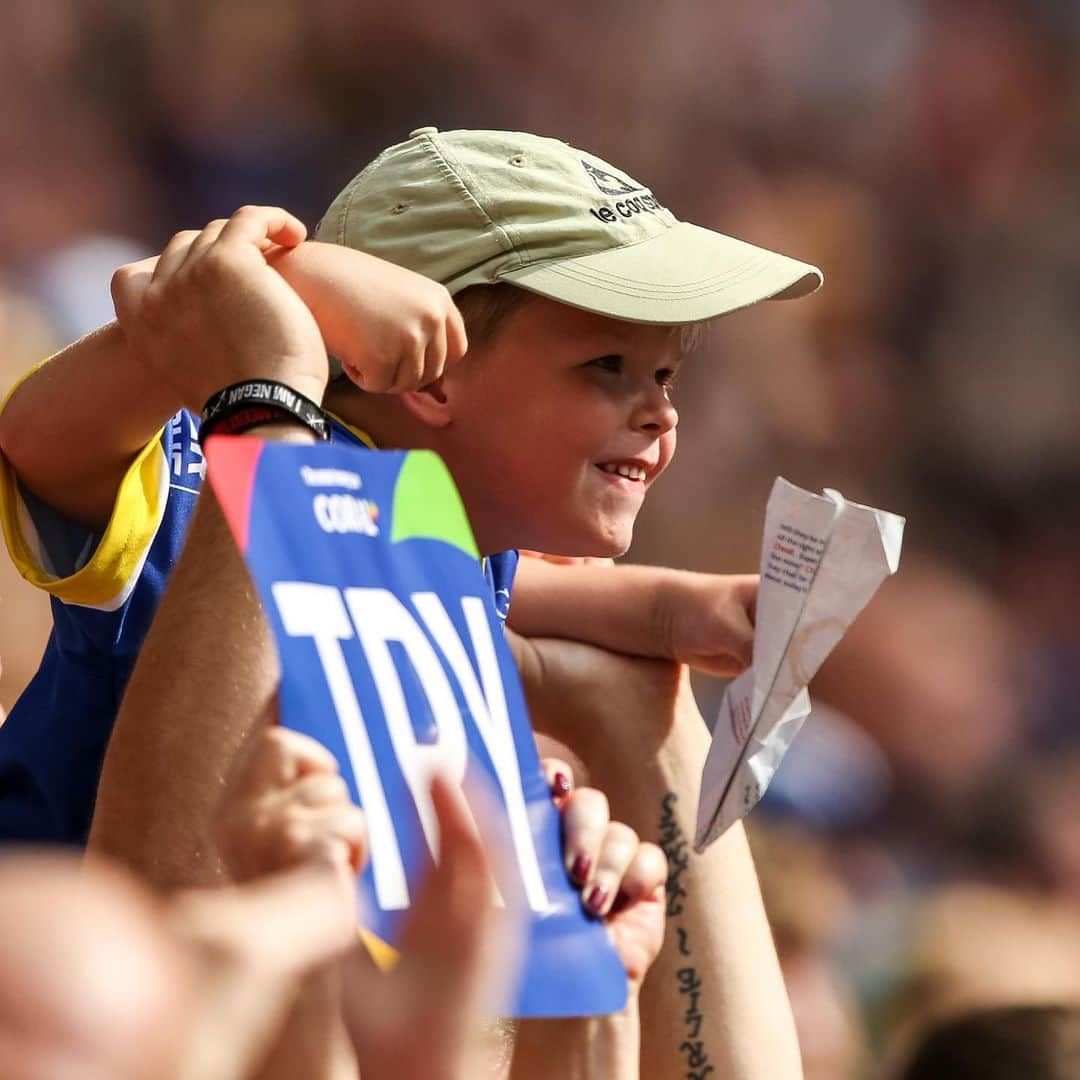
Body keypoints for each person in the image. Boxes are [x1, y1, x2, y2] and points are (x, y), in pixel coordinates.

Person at [0, 127, 819, 848]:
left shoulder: (444, 525)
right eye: (608, 366)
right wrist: (293, 284)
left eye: (667, 375)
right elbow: (39, 439)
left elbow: (424, 578)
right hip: (67, 994)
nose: (659, 414)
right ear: (433, 376)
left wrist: (663, 612)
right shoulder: (217, 470)